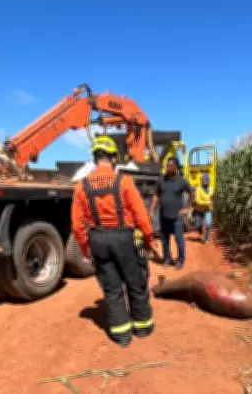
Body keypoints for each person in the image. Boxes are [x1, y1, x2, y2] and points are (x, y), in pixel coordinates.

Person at [70, 136, 160, 347]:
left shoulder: (81, 187)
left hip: (98, 240)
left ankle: (121, 335)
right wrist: (148, 240)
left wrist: (85, 248)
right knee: (136, 283)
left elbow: (77, 225)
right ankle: (143, 327)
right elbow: (141, 216)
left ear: (94, 159)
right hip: (124, 238)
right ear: (113, 158)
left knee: (111, 289)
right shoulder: (124, 182)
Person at [149, 157, 193, 270]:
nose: (167, 167)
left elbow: (192, 193)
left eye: (170, 165)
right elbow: (156, 196)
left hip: (177, 218)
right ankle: (167, 260)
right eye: (167, 165)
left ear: (176, 168)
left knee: (179, 240)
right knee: (165, 240)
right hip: (163, 216)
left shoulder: (181, 181)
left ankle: (180, 260)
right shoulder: (161, 180)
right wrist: (152, 210)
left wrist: (187, 208)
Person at [193, 174, 214, 243]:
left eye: (206, 180)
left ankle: (207, 238)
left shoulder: (211, 188)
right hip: (198, 210)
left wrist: (211, 203)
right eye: (203, 180)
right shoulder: (198, 189)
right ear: (201, 181)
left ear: (208, 181)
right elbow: (197, 201)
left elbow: (212, 198)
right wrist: (207, 202)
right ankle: (200, 230)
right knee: (198, 225)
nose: (204, 182)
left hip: (208, 210)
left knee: (208, 224)